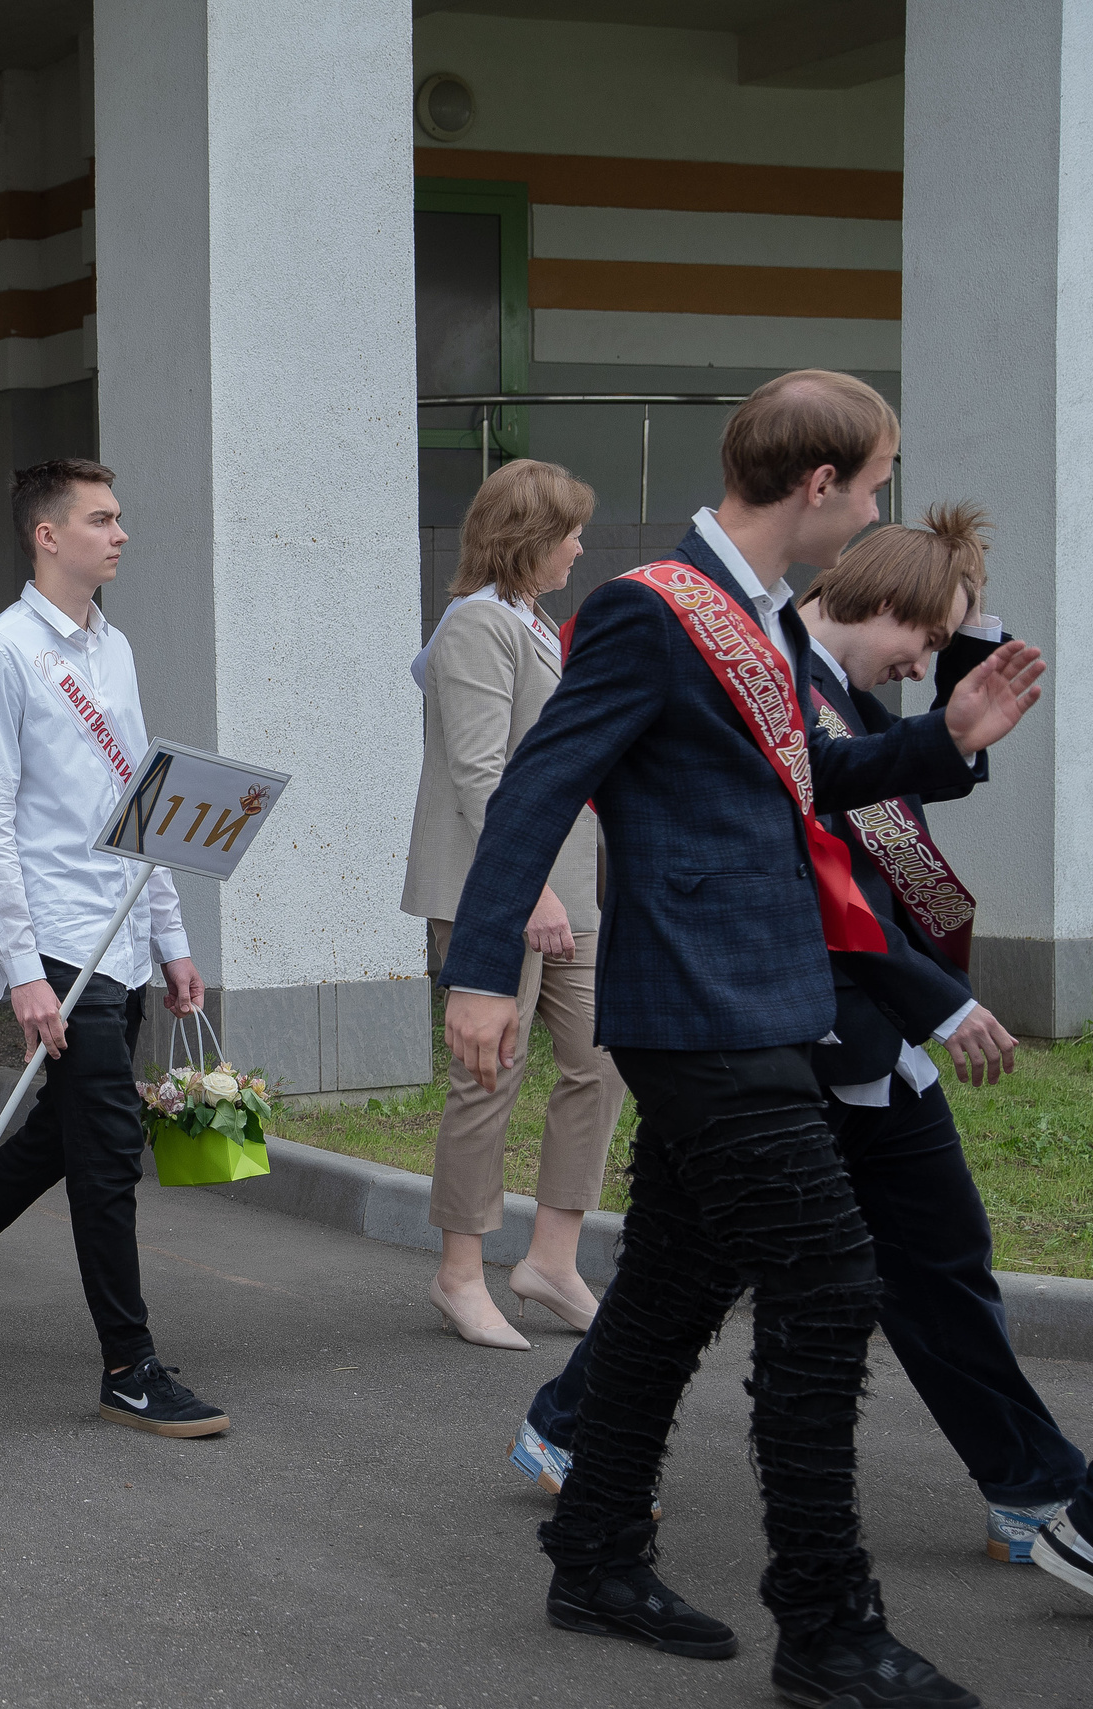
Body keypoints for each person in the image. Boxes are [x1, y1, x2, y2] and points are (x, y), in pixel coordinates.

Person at [440, 371, 1044, 1702]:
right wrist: (482, 970)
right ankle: (828, 1630)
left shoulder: (762, 622)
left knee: (667, 1284)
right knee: (830, 1283)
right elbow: (544, 781)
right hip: (697, 1005)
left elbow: (807, 781)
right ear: (820, 486)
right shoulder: (653, 611)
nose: (881, 504)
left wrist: (942, 736)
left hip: (767, 994)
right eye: (875, 480)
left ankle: (593, 1550)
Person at [512, 504, 1093, 1612]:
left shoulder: (832, 681)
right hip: (768, 1016)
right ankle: (822, 1593)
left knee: (877, 1258)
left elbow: (876, 821)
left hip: (842, 1026)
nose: (924, 667)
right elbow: (817, 880)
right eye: (920, 641)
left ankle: (1021, 1490)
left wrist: (956, 718)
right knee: (769, 1276)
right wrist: (936, 1000)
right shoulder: (732, 647)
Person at [0, 460, 220, 1435]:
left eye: (120, 516)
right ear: (47, 535)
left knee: (61, 1134)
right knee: (105, 1145)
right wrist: (20, 969)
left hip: (125, 936)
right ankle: (128, 1365)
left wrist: (172, 936)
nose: (121, 532)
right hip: (58, 941)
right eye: (101, 517)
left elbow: (149, 809)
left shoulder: (116, 648)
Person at [402, 460, 624, 1348]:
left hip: (568, 884)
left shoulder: (528, 621)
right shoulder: (477, 626)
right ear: (528, 537)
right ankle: (460, 1274)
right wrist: (524, 887)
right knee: (488, 1076)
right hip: (499, 888)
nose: (580, 545)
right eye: (569, 530)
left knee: (601, 1059)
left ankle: (551, 1261)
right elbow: (481, 773)